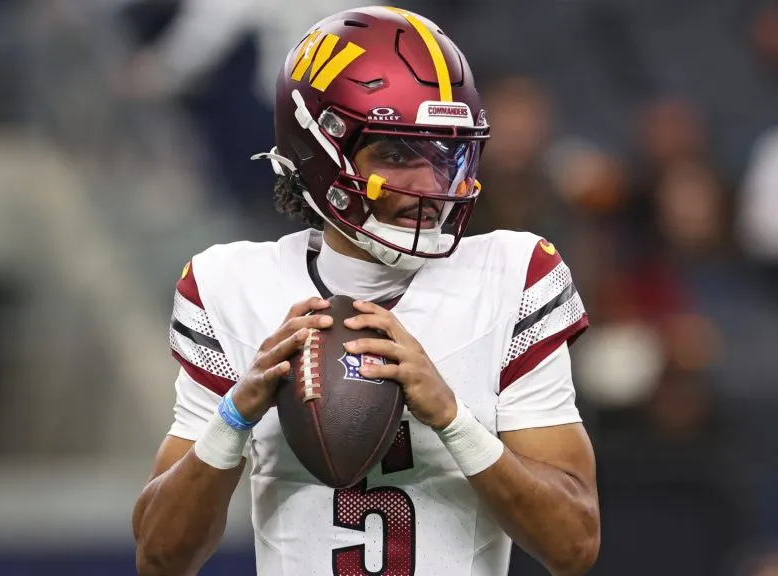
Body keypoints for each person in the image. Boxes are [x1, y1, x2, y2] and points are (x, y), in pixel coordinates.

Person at [132, 6, 600, 576]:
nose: (430, 184)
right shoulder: (231, 286)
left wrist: (453, 421)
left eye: (445, 153)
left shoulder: (513, 275)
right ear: (319, 151)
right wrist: (234, 417)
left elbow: (574, 545)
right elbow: (159, 557)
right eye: (398, 154)